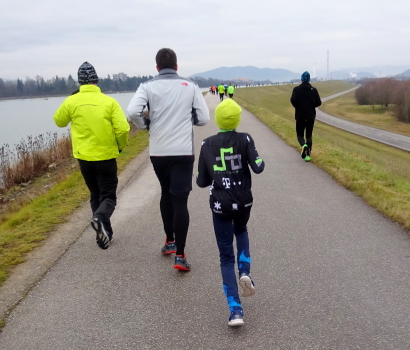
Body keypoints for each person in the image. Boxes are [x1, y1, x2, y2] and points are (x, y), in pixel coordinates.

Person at [127, 48, 210, 271]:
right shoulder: (190, 86)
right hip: (183, 151)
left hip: (159, 151)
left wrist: (145, 125)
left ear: (157, 67)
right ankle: (180, 256)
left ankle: (170, 241)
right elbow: (204, 118)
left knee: (166, 192)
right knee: (180, 200)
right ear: (176, 66)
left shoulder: (147, 86)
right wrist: (189, 119)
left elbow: (133, 111)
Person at [196, 99, 265, 327]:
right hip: (243, 201)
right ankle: (244, 271)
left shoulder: (207, 144)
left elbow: (201, 181)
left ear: (217, 119)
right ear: (237, 119)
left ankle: (235, 310)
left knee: (226, 256)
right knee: (241, 229)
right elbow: (258, 166)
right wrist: (256, 158)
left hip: (220, 204)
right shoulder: (245, 139)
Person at [53, 61, 130, 249]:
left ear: (80, 82)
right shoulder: (109, 102)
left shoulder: (72, 101)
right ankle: (100, 218)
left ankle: (105, 235)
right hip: (106, 156)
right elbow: (123, 129)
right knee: (108, 197)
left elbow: (59, 121)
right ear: (96, 80)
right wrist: (120, 146)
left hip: (84, 158)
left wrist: (72, 100)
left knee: (95, 194)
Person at [290, 71, 321, 162]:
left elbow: (293, 100)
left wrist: (298, 106)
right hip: (310, 115)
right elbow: (318, 102)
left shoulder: (296, 89)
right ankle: (308, 156)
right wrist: (311, 106)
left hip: (300, 115)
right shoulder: (313, 90)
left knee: (300, 135)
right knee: (309, 135)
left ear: (301, 79)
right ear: (309, 79)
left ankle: (304, 145)